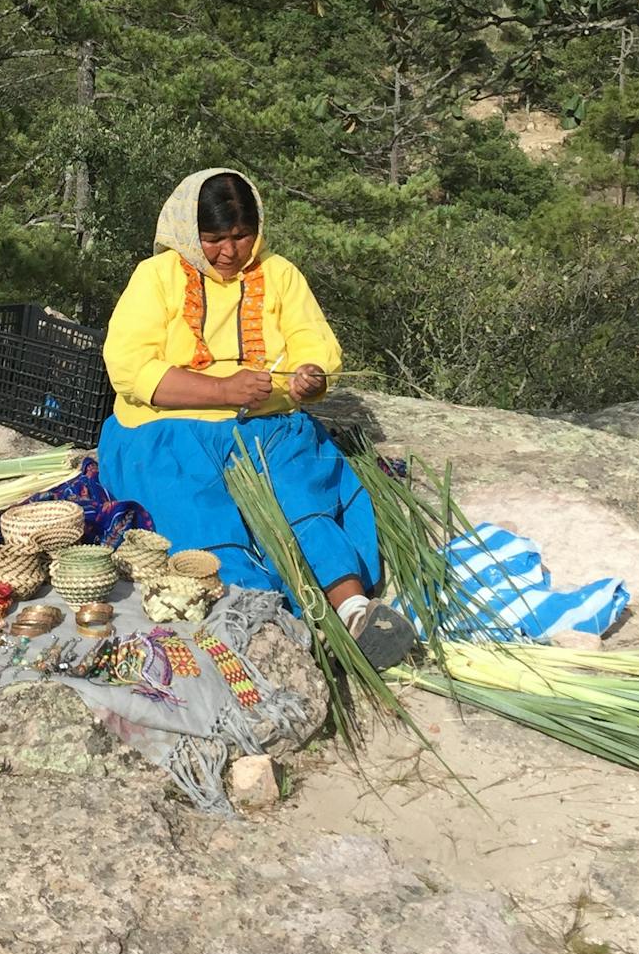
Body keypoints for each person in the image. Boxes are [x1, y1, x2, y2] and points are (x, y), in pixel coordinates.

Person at [99, 168, 417, 668]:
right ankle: (261, 617)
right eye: (214, 239)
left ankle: (354, 610)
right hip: (168, 431)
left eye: (242, 235)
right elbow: (130, 367)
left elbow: (313, 342)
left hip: (268, 422)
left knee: (299, 495)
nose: (230, 251)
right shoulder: (156, 277)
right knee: (200, 513)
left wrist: (310, 377)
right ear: (189, 234)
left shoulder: (279, 274)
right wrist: (222, 389)